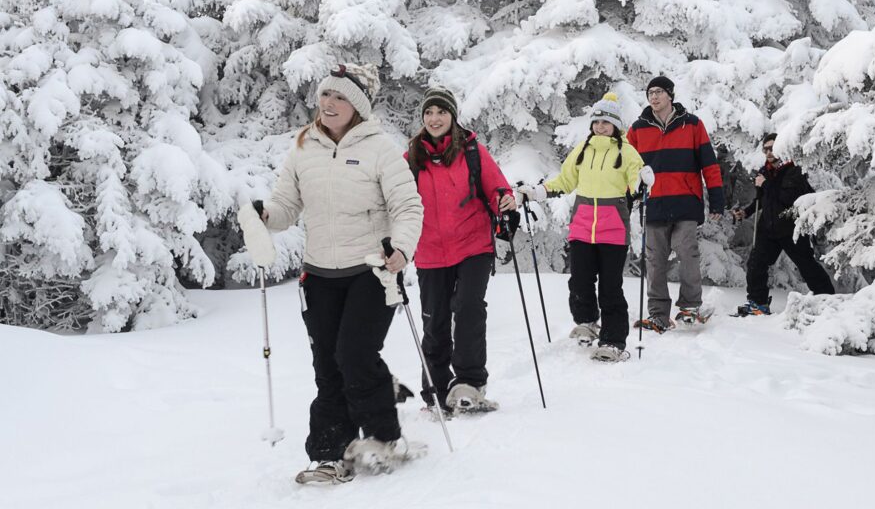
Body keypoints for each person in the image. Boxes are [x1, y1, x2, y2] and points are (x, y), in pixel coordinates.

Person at [255, 63, 424, 483]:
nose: (328, 104)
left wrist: (401, 247)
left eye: (340, 97)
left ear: (358, 107)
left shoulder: (380, 148)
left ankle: (385, 438)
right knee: (328, 365)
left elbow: (407, 206)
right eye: (326, 95)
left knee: (355, 354)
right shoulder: (304, 148)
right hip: (320, 274)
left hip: (373, 269)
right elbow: (286, 207)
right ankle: (330, 453)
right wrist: (265, 215)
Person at [405, 86, 515, 414]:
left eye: (441, 112)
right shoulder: (411, 157)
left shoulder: (471, 151)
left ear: (452, 116)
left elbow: (496, 187)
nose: (434, 118)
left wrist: (505, 204)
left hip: (472, 245)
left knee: (468, 309)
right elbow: (396, 201)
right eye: (429, 113)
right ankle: (437, 389)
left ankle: (469, 383)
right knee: (434, 321)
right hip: (430, 251)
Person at [518, 93, 645, 362]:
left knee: (611, 288)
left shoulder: (627, 151)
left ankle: (613, 341)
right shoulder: (583, 150)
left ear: (616, 125)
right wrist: (537, 192)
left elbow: (636, 181)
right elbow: (565, 181)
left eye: (606, 122)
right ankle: (587, 321)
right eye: (597, 121)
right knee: (579, 281)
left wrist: (644, 182)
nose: (600, 126)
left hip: (613, 230)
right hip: (583, 227)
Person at [627, 76, 724, 332]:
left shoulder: (692, 124)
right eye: (650, 93)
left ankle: (690, 306)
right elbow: (626, 167)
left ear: (670, 94)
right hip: (654, 204)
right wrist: (629, 197)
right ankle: (658, 314)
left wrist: (717, 200)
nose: (654, 97)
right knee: (655, 260)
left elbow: (709, 165)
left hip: (685, 203)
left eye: (659, 92)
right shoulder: (638, 128)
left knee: (687, 252)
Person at [731, 133, 835, 315]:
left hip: (791, 228)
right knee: (756, 263)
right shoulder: (766, 171)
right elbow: (763, 199)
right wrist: (746, 212)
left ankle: (828, 301)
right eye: (766, 149)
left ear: (780, 148)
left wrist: (766, 185)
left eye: (772, 148)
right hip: (769, 228)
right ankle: (758, 303)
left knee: (806, 265)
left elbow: (788, 198)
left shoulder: (794, 170)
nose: (769, 152)